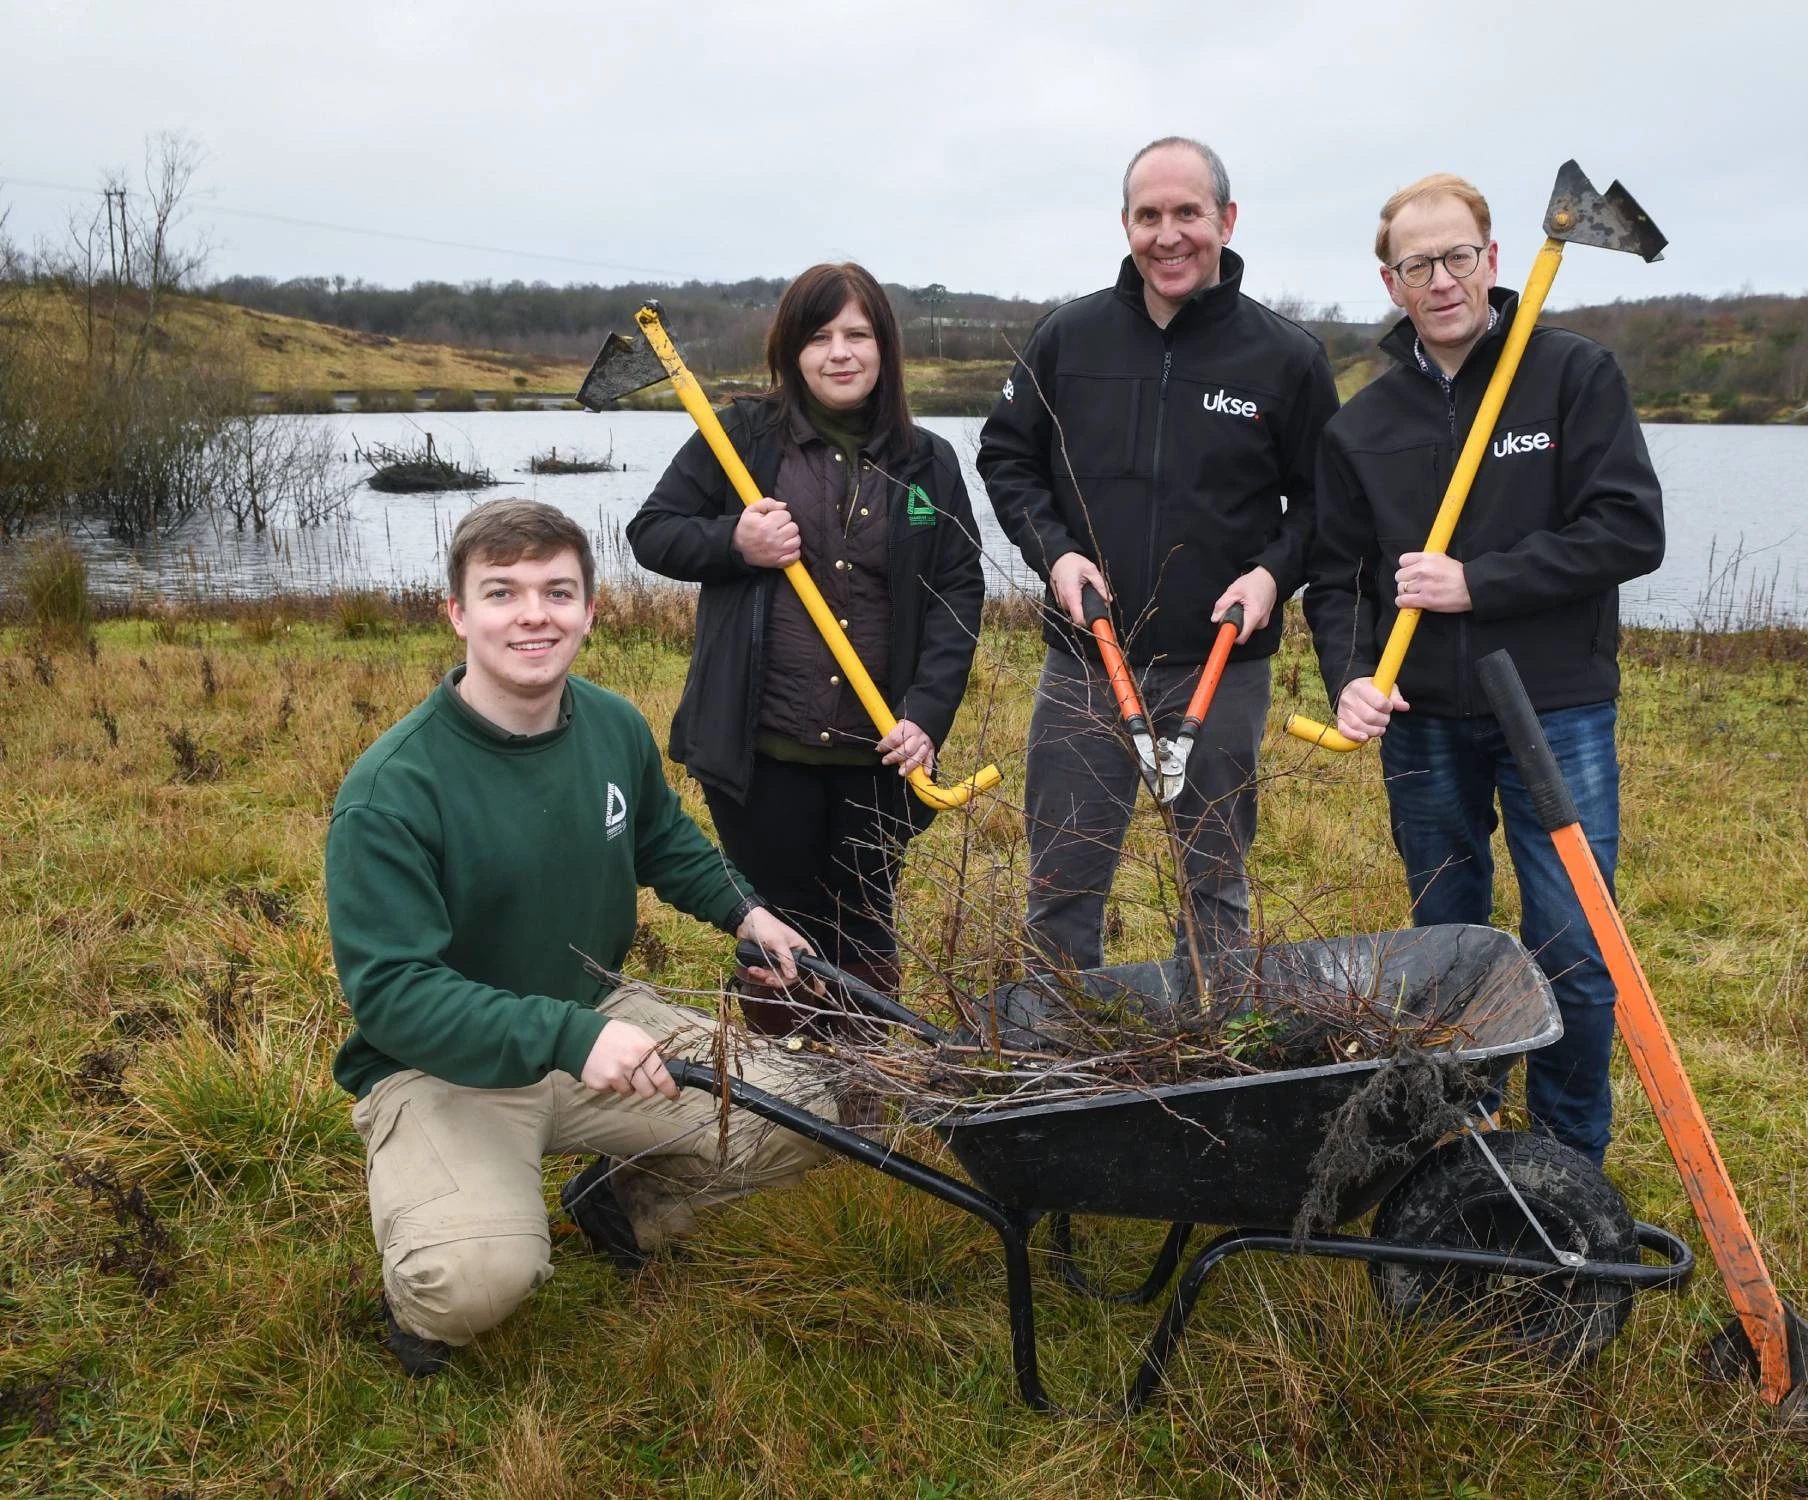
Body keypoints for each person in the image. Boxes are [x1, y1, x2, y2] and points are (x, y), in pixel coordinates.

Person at [326, 499, 831, 1377]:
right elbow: (395, 995)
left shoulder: (612, 724)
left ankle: (626, 1207)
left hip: (597, 1017)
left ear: (591, 611)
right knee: (476, 1279)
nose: (533, 614)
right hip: (446, 1065)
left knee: (812, 1114)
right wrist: (574, 1038)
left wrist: (748, 914)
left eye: (558, 591)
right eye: (502, 592)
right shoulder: (391, 791)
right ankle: (427, 1298)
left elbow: (663, 843)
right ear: (457, 613)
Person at [1301, 173, 1664, 1164]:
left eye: (1459, 255)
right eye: (1418, 265)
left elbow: (1631, 530)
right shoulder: (1362, 426)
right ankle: (1460, 1158)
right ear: (1392, 282)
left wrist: (1481, 583)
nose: (1444, 279)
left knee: (1574, 952)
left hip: (1555, 709)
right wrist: (1352, 674)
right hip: (1420, 722)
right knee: (1449, 953)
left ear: (1493, 260)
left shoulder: (1571, 376)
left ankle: (1566, 1164)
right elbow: (1336, 579)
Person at [979, 135, 1337, 973]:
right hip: (1085, 665)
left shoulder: (1287, 357)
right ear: (1126, 224)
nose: (1167, 236)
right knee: (1061, 886)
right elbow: (1007, 457)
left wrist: (1273, 574)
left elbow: (1327, 501)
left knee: (1214, 890)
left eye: (1187, 213)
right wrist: (1056, 557)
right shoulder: (1069, 338)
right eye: (1149, 216)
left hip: (1220, 665)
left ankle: (1210, 1063)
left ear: (1227, 219)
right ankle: (1059, 1065)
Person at [629, 262, 984, 1015]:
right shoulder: (742, 438)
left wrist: (927, 714)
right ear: (791, 351)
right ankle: (782, 1091)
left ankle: (860, 1089)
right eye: (819, 336)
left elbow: (957, 589)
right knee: (779, 925)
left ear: (884, 348)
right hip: (763, 750)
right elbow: (651, 533)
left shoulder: (927, 464)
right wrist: (735, 540)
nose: (839, 353)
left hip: (883, 751)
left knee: (864, 920)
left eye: (857, 334)